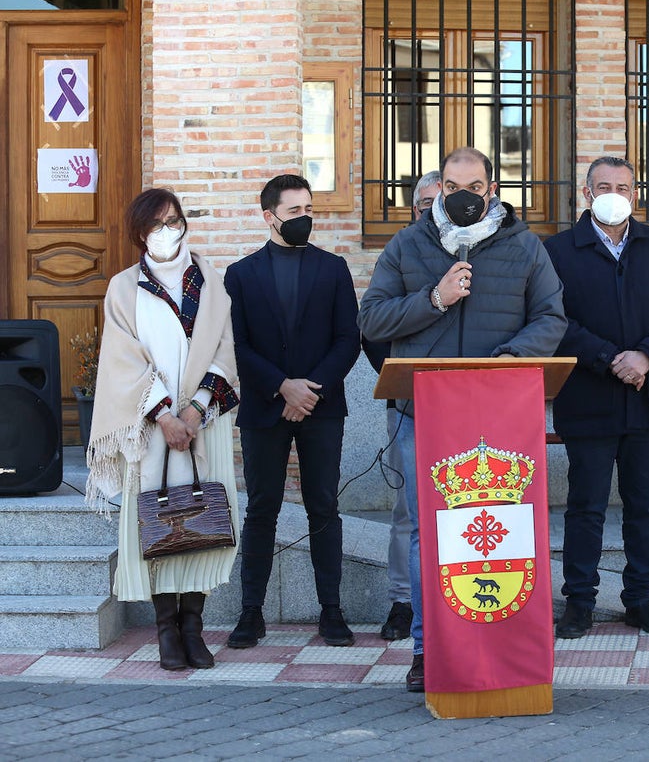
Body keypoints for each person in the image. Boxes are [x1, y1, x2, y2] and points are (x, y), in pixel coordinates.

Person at [357, 147, 565, 691]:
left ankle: (502, 647)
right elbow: (373, 320)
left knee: (500, 533)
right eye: (451, 187)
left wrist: (510, 359)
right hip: (423, 410)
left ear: (491, 189)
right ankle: (429, 650)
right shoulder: (407, 244)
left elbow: (551, 316)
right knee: (431, 532)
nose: (462, 196)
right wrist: (435, 297)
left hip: (502, 411)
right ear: (439, 190)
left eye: (474, 185)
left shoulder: (524, 247)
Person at [85, 188, 240, 671]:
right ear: (139, 234)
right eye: (155, 224)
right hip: (151, 427)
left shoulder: (211, 282)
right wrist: (166, 416)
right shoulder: (123, 288)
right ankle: (165, 630)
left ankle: (194, 627)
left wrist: (194, 411)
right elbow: (122, 361)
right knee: (158, 524)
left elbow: (225, 350)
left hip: (202, 423)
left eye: (173, 220)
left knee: (204, 521)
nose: (166, 230)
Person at [544, 158, 649, 639]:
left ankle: (641, 599)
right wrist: (611, 358)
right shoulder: (558, 250)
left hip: (648, 397)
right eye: (604, 186)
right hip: (589, 396)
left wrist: (646, 356)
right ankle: (580, 601)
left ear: (636, 193)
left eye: (624, 187)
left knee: (644, 505)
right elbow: (554, 319)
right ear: (586, 194)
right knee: (585, 506)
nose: (615, 193)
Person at [224, 174, 361, 648]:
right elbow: (237, 346)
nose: (304, 219)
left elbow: (349, 339)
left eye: (309, 210)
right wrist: (283, 387)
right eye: (294, 212)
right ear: (270, 217)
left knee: (324, 506)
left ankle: (331, 611)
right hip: (265, 408)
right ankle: (250, 613)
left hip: (321, 409)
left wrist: (309, 392)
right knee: (262, 508)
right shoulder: (240, 275)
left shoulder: (334, 268)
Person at [364, 170, 443, 642]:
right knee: (408, 511)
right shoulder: (398, 253)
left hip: (462, 402)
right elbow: (373, 328)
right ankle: (402, 601)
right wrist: (398, 373)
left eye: (441, 201)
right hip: (409, 401)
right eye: (423, 204)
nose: (431, 212)